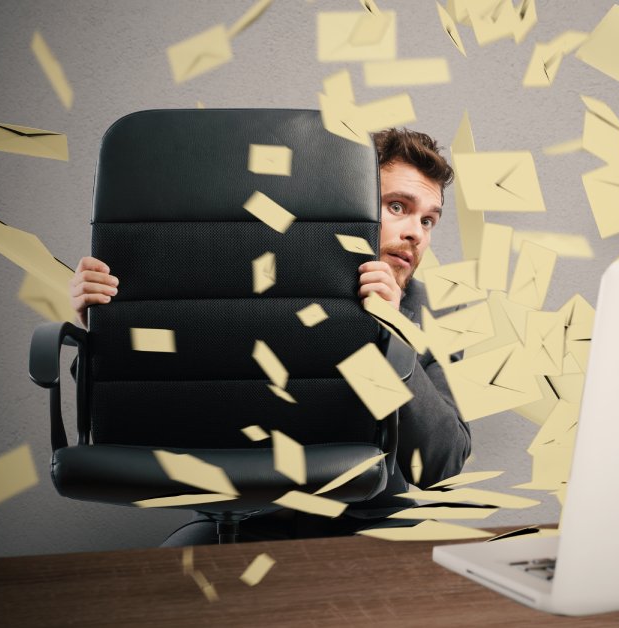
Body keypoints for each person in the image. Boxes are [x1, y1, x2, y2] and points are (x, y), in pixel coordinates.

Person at [68, 128, 470, 544]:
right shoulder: (258, 287)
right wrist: (105, 329)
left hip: (372, 518)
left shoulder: (435, 316)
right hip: (242, 515)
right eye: (397, 206)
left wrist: (389, 334)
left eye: (428, 220)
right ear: (351, 206)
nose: (415, 233)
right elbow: (142, 418)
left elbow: (442, 465)